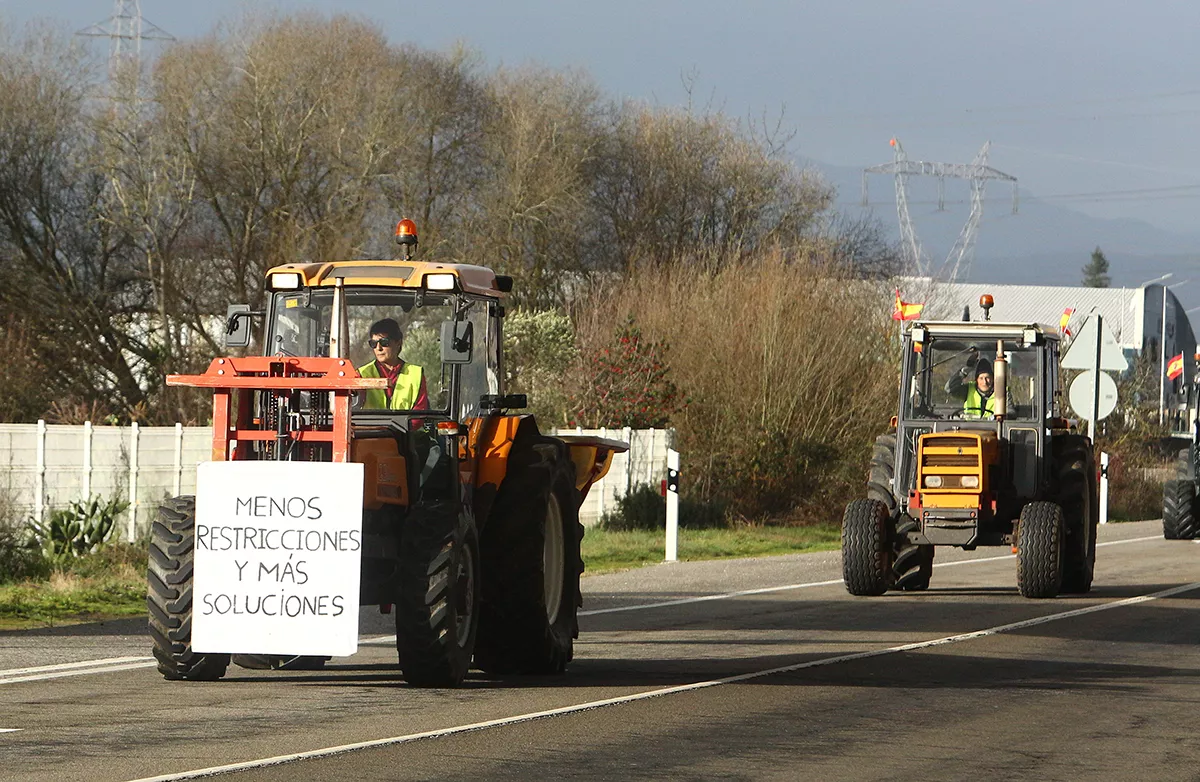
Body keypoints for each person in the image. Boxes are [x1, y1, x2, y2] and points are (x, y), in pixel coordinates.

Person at [356, 318, 429, 411]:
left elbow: (419, 413)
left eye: (384, 342)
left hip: (405, 426)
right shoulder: (361, 374)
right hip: (370, 425)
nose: (378, 348)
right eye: (373, 343)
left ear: (398, 343)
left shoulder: (416, 374)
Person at [945, 353, 995, 419]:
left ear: (993, 379)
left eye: (987, 378)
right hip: (968, 426)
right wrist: (965, 371)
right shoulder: (968, 390)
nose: (984, 382)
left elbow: (1010, 412)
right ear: (976, 380)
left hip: (994, 428)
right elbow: (949, 389)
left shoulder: (1002, 392)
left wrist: (996, 417)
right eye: (981, 378)